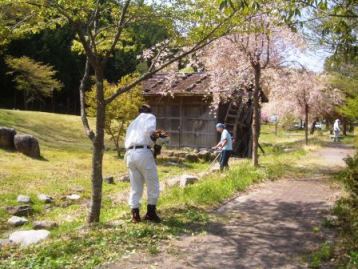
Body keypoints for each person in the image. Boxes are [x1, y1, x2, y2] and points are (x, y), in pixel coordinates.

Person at [124, 104, 161, 223]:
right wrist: (158, 140)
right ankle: (151, 213)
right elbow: (150, 132)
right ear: (148, 111)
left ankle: (135, 215)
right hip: (143, 153)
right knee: (152, 183)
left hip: (130, 154)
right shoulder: (149, 117)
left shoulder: (133, 123)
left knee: (136, 186)